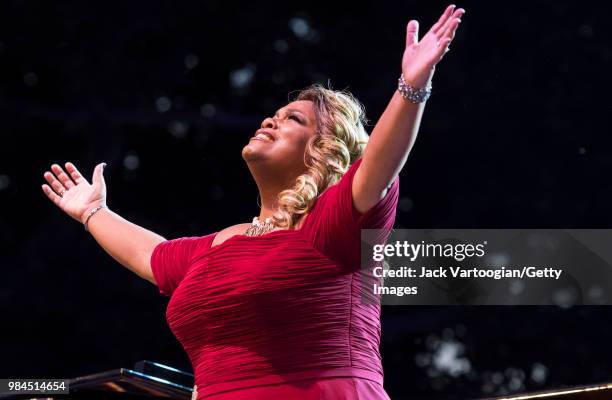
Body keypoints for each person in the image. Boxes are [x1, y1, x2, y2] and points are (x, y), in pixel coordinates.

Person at [41, 5, 464, 399]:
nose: (270, 119)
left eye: (292, 119)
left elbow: (380, 163)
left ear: (324, 150)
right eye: (275, 115)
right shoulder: (217, 247)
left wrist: (412, 86)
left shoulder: (332, 225)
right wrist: (93, 212)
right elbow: (150, 254)